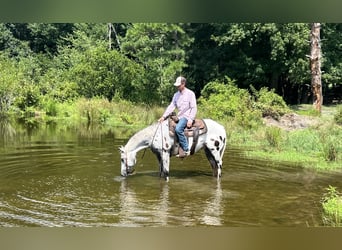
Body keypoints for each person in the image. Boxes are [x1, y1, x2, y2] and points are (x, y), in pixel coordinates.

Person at [158, 76, 197, 157]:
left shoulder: (190, 94)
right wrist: (163, 116)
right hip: (179, 116)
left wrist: (190, 120)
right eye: (177, 86)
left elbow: (193, 107)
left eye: (179, 85)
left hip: (186, 116)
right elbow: (171, 106)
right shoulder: (176, 95)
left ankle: (186, 149)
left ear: (183, 84)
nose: (177, 87)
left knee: (178, 129)